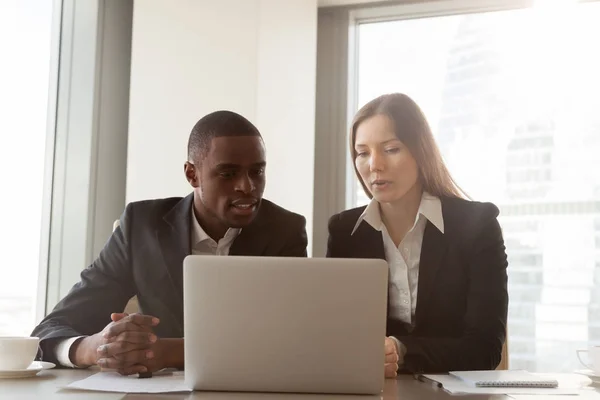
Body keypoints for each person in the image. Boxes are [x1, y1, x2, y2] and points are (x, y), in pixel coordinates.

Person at [32, 110, 308, 375]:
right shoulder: (141, 226)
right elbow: (53, 327)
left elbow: (286, 341)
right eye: (228, 173)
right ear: (192, 174)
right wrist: (95, 349)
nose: (247, 187)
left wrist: (166, 353)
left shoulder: (284, 230)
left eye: (257, 172)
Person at [326, 93, 508, 376]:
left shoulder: (477, 225)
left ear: (420, 151)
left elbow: (484, 350)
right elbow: (335, 338)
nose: (374, 165)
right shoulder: (345, 232)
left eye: (391, 149)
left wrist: (402, 351)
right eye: (362, 153)